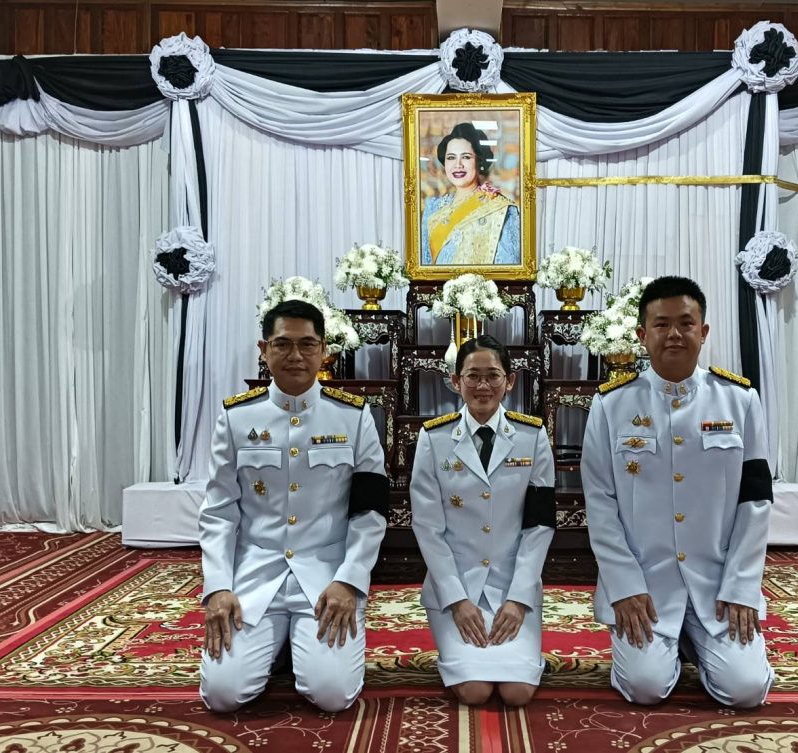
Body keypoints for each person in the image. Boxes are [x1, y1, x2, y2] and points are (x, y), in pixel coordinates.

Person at [581, 276, 774, 708]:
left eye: (686, 323)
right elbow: (600, 502)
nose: (674, 334)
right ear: (641, 334)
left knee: (745, 690)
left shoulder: (739, 400)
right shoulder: (611, 405)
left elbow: (756, 500)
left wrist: (742, 586)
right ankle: (669, 647)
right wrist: (624, 586)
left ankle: (696, 642)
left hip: (717, 583)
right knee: (644, 688)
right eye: (661, 324)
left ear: (703, 332)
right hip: (646, 586)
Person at [198, 298, 388, 713]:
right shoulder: (236, 418)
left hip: (326, 577)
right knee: (223, 695)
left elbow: (370, 511)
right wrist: (218, 586)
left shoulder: (353, 417)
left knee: (332, 695)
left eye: (307, 344)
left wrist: (350, 580)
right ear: (263, 350)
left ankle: (292, 645)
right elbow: (219, 511)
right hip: (255, 577)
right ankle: (278, 645)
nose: (295, 355)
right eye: (282, 344)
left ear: (324, 351)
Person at [410, 335, 555, 706]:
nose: (483, 386)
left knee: (517, 692)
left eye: (493, 376)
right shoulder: (434, 438)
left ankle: (521, 642)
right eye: (472, 376)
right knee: (475, 691)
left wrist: (519, 598)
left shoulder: (532, 436)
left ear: (510, 381)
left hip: (513, 588)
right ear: (455, 381)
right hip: (455, 589)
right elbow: (427, 528)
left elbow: (539, 526)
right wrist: (457, 599)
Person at [421, 122, 521, 266]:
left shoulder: (501, 209)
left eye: (466, 157)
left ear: (479, 161)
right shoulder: (433, 208)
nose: (458, 165)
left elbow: (509, 267)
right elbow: (424, 266)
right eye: (451, 157)